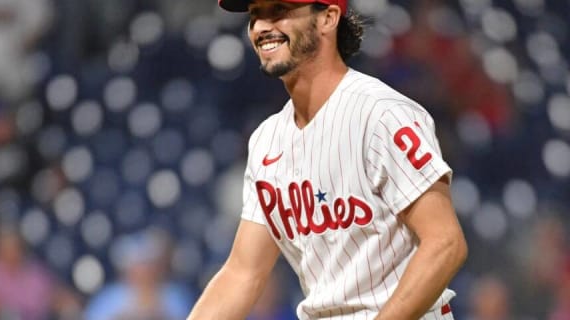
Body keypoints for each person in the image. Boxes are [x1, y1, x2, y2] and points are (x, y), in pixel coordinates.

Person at [188, 0, 467, 319]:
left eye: (278, 11)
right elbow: (242, 274)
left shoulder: (382, 115)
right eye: (255, 15)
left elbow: (445, 243)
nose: (263, 26)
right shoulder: (266, 141)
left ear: (328, 18)